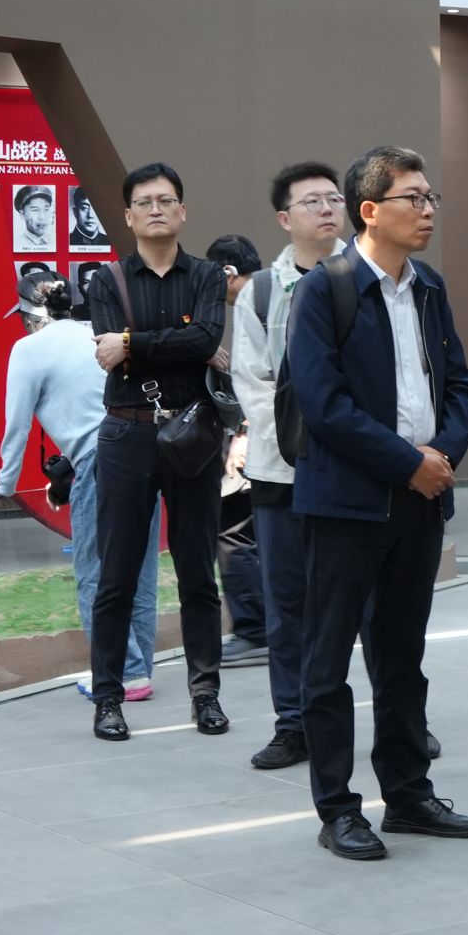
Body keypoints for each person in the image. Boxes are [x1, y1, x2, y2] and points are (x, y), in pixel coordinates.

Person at [290, 145, 468, 860]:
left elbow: (459, 385)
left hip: (420, 500)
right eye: (414, 198)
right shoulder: (325, 288)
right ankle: (338, 809)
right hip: (347, 503)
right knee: (328, 660)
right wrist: (409, 464)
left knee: (402, 656)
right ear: (370, 211)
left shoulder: (428, 286)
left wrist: (442, 458)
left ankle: (407, 795)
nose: (428, 211)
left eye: (432, 198)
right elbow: (324, 405)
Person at [81, 163, 229, 742]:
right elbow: (108, 352)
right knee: (116, 575)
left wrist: (132, 343)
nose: (156, 210)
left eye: (166, 200)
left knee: (198, 573)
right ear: (128, 216)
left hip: (193, 434)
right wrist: (179, 347)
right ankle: (108, 699)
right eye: (144, 202)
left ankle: (206, 695)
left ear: (183, 211)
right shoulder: (106, 280)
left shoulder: (207, 275)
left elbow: (206, 338)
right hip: (127, 435)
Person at [227, 162, 348, 770]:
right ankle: (294, 723)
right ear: (284, 218)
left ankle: (400, 718)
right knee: (288, 607)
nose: (326, 209)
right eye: (311, 201)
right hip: (282, 472)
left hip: (358, 471)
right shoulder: (260, 293)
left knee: (373, 608)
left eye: (334, 198)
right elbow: (252, 384)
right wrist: (310, 440)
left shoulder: (368, 278)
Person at [0, 271, 160, 703]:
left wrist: (6, 483)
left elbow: (17, 425)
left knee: (95, 574)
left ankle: (123, 673)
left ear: (31, 314)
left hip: (99, 464)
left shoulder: (29, 349)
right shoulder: (98, 335)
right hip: (144, 454)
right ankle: (139, 671)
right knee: (139, 571)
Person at [204, 234, 268, 667]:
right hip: (275, 440)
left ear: (227, 272)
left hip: (259, 438)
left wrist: (244, 434)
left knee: (233, 529)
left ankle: (254, 628)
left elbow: (260, 377)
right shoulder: (272, 295)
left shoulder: (253, 306)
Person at [14, 184, 56, 251]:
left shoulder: (55, 240)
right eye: (35, 210)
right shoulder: (17, 244)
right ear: (22, 214)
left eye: (46, 209)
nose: (42, 217)